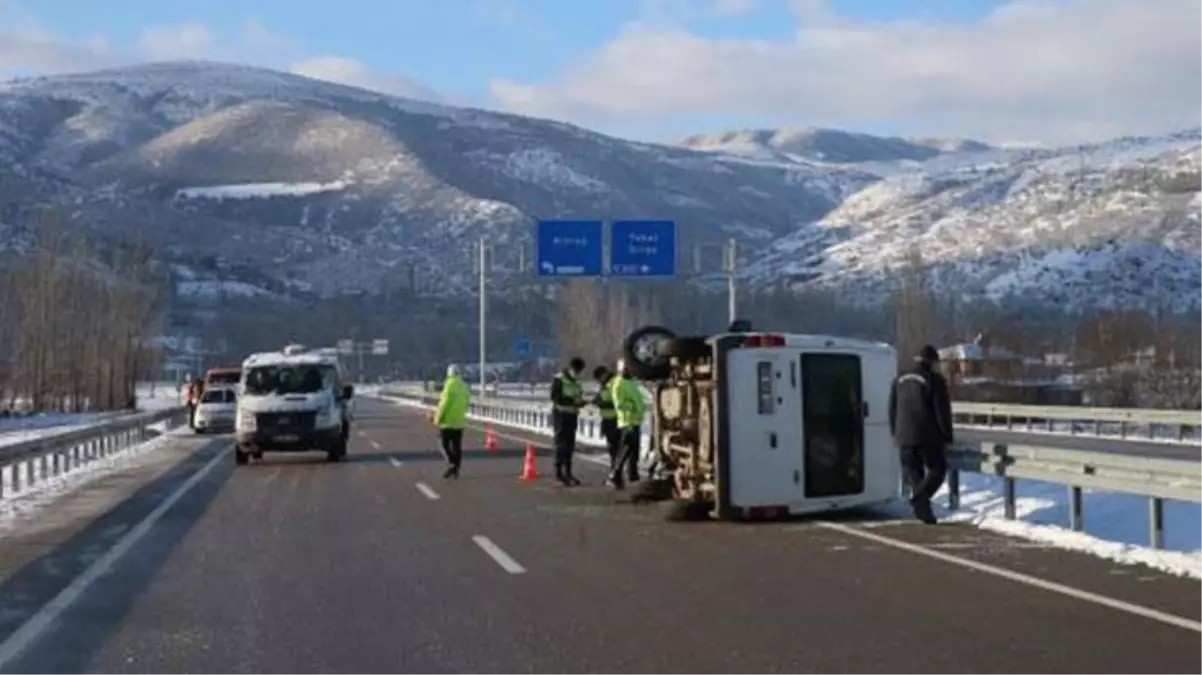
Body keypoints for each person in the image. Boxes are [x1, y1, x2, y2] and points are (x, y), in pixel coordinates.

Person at [888, 344, 954, 525]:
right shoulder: (934, 380)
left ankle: (924, 513)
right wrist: (947, 435)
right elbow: (942, 411)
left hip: (903, 436)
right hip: (927, 436)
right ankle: (920, 500)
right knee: (937, 471)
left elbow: (892, 409)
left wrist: (895, 432)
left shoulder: (899, 379)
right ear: (932, 361)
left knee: (915, 475)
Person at [608, 359, 645, 489]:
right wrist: (633, 407)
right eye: (626, 369)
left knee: (634, 449)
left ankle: (632, 474)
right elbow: (619, 403)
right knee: (626, 449)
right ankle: (615, 473)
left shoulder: (631, 382)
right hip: (627, 420)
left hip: (635, 420)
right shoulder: (618, 384)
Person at [549, 357, 586, 486]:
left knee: (570, 445)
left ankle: (568, 472)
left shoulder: (577, 382)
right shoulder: (559, 379)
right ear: (571, 368)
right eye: (576, 370)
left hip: (572, 415)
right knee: (561, 444)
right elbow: (555, 397)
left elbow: (578, 396)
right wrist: (572, 401)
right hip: (560, 415)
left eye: (579, 371)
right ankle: (559, 472)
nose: (577, 373)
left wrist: (580, 403)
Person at [433, 364, 470, 479]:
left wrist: (437, 418)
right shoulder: (464, 386)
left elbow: (444, 404)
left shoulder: (449, 385)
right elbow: (466, 403)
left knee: (443, 444)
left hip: (447, 421)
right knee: (457, 446)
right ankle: (456, 469)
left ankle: (452, 464)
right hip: (459, 421)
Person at [592, 365, 621, 478]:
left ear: (603, 375)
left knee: (615, 449)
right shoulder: (605, 385)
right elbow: (601, 397)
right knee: (612, 449)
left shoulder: (614, 383)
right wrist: (596, 400)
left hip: (615, 420)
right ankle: (614, 471)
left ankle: (616, 473)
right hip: (607, 420)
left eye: (599, 379)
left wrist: (601, 404)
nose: (599, 381)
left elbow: (617, 402)